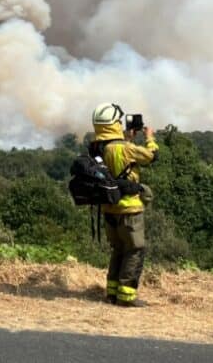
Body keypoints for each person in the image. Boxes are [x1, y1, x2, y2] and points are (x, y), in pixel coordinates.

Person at [91, 103, 159, 308]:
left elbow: (116, 156)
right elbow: (151, 157)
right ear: (113, 124)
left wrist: (127, 138)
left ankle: (112, 293)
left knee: (118, 249)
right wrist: (150, 138)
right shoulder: (124, 148)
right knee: (135, 250)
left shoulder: (97, 147)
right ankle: (127, 296)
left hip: (109, 208)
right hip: (129, 208)